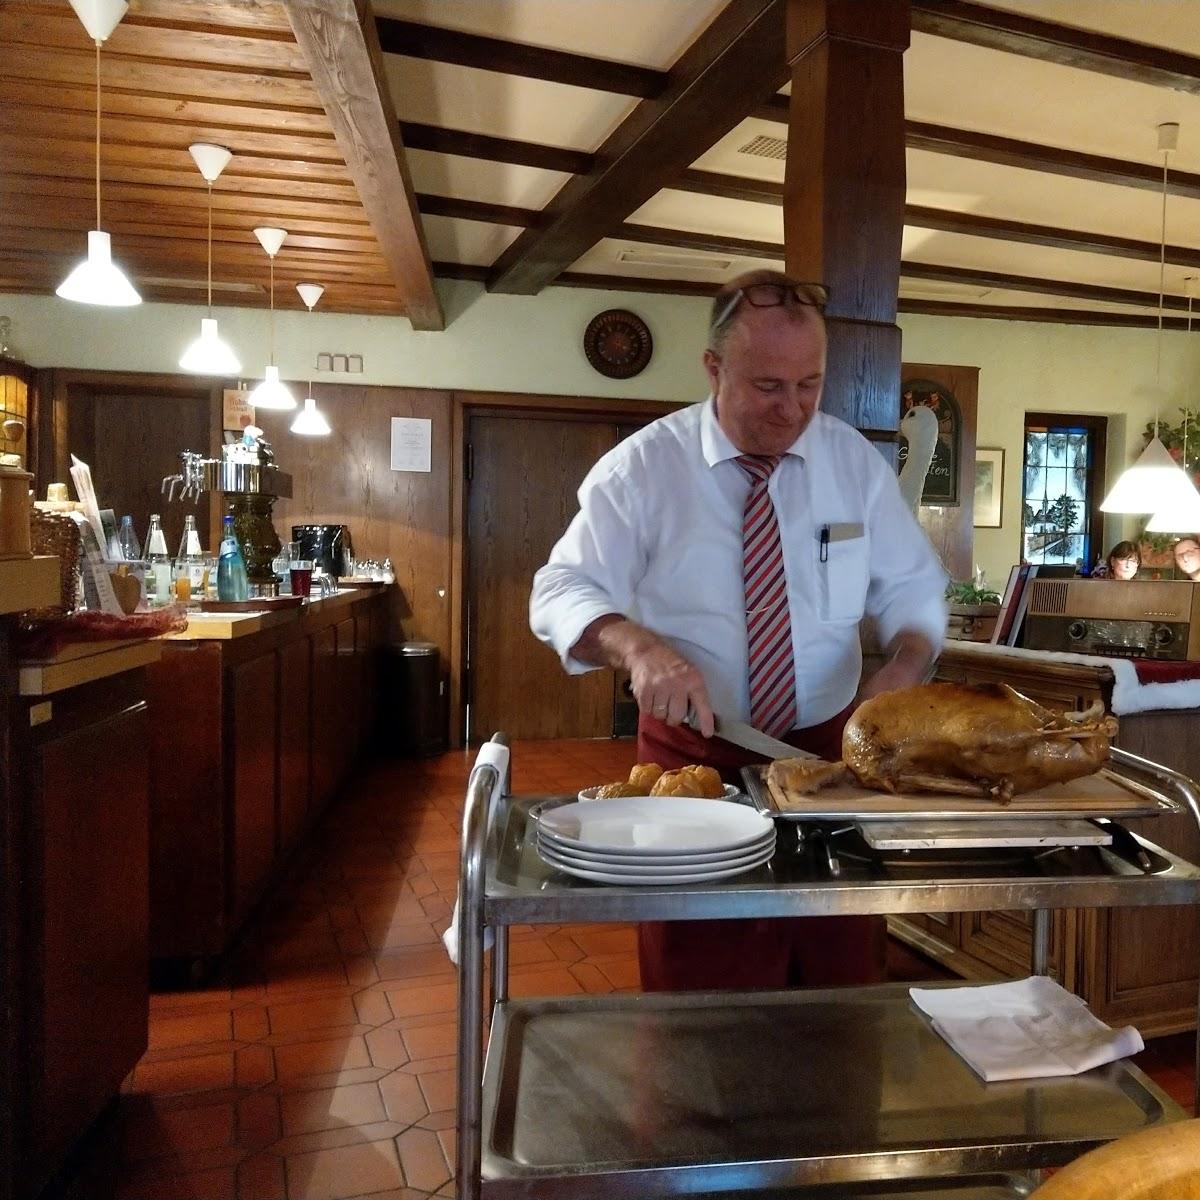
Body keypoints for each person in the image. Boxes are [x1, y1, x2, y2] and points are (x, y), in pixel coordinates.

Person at [529, 269, 947, 992]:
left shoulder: (851, 463)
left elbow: (912, 584)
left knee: (839, 974)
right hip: (693, 764)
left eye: (809, 385)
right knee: (701, 986)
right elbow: (560, 586)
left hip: (830, 767)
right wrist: (638, 647)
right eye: (767, 386)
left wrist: (906, 661)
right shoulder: (644, 469)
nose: (792, 409)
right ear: (714, 369)